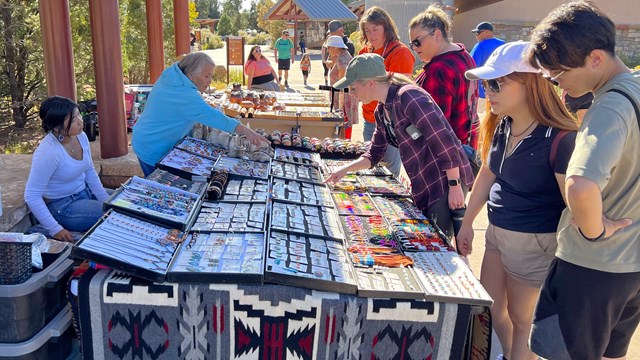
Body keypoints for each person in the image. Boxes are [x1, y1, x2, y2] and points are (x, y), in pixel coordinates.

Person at [525, 2, 640, 359]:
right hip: (631, 265)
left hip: (592, 265)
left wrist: (594, 230)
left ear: (594, 58)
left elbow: (581, 184)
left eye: (559, 74)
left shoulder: (609, 106)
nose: (558, 85)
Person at [457, 41, 578, 360]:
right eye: (486, 84)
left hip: (535, 244)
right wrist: (467, 223)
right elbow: (486, 174)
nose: (489, 91)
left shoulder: (560, 139)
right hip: (497, 235)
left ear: (530, 83)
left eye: (496, 83)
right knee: (495, 314)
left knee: (524, 325)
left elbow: (577, 209)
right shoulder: (503, 126)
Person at [326, 54, 474, 239]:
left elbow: (443, 140)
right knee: (430, 239)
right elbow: (374, 153)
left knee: (438, 241)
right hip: (423, 181)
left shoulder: (409, 96)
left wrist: (454, 185)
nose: (352, 93)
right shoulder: (382, 110)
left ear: (370, 83)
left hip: (444, 181)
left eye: (353, 88)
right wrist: (344, 169)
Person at [132, 52, 268, 176]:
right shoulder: (184, 94)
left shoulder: (173, 76)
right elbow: (212, 116)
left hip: (147, 137)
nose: (210, 81)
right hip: (152, 146)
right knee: (159, 186)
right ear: (191, 75)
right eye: (206, 76)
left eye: (211, 76)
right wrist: (244, 130)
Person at [24, 96, 110, 242]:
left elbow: (89, 171)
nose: (80, 122)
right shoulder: (48, 152)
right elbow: (32, 195)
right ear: (56, 126)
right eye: (72, 119)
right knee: (118, 214)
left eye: (78, 115)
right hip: (63, 207)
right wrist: (55, 229)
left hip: (85, 193)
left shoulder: (81, 136)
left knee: (126, 204)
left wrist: (107, 200)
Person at [409, 5, 479, 148]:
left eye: (417, 42)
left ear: (437, 35)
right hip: (467, 145)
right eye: (412, 44)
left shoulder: (438, 69)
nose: (415, 48)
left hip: (444, 154)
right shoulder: (464, 55)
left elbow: (434, 126)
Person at [357, 6, 415, 177]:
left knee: (389, 173)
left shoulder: (400, 52)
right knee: (370, 169)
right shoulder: (364, 52)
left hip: (391, 122)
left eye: (376, 29)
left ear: (386, 28)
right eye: (367, 30)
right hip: (369, 119)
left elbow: (401, 93)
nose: (372, 35)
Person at [469, 21, 505, 120]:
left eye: (478, 32)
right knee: (497, 119)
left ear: (486, 32)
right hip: (501, 88)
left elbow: (471, 66)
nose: (476, 36)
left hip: (482, 90)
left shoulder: (480, 46)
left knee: (479, 118)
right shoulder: (503, 44)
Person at [325, 36, 358, 140]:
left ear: (335, 47)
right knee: (345, 124)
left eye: (329, 47)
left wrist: (340, 102)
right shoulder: (344, 55)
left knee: (343, 123)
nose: (327, 50)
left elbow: (342, 81)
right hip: (346, 95)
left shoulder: (342, 58)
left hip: (343, 97)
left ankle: (344, 144)